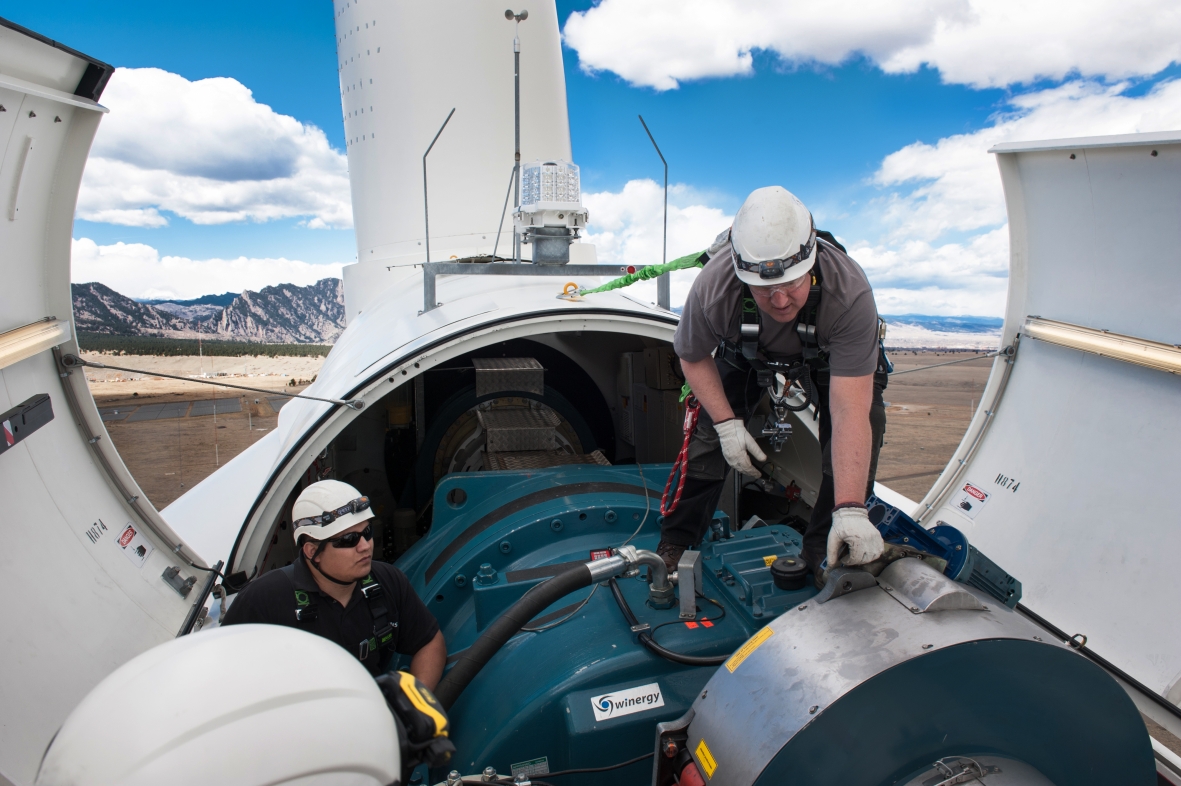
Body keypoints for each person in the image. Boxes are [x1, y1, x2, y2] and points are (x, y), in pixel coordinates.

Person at [657, 186, 889, 581]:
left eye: (792, 284)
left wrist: (851, 506)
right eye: (764, 289)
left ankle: (827, 551)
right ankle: (676, 542)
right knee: (707, 441)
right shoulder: (715, 289)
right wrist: (728, 425)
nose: (780, 301)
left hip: (827, 358)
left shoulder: (848, 293)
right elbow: (693, 356)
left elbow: (850, 410)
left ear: (811, 264)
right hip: (744, 354)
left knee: (859, 437)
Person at [223, 479, 447, 689]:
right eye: (348, 540)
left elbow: (429, 642)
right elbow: (223, 675)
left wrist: (418, 705)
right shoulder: (264, 600)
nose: (365, 546)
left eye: (366, 532)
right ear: (313, 552)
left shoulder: (388, 581)